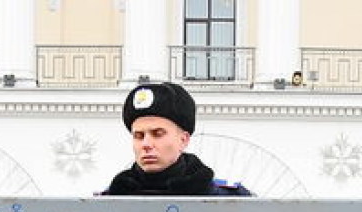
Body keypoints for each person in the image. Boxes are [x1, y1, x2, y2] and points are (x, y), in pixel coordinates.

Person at [101, 81, 252, 197]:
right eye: (139, 136)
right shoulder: (104, 204)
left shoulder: (231, 202)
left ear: (184, 140)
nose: (146, 144)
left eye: (158, 134)